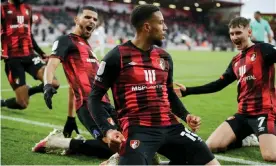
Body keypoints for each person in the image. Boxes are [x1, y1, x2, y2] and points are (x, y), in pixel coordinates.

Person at [88, 4, 219, 165]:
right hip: (138, 129)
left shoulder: (164, 57)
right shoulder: (116, 57)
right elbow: (94, 98)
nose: (165, 27)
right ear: (147, 27)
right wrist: (107, 130)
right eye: (161, 23)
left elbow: (169, 94)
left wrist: (186, 115)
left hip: (172, 127)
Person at [175, 17, 276, 162]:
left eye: (238, 33)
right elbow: (218, 84)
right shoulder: (236, 61)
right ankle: (246, 139)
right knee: (211, 145)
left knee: (270, 155)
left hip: (264, 112)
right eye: (232, 34)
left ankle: (263, 135)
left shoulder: (263, 50)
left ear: (249, 32)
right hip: (242, 114)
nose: (234, 37)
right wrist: (187, 91)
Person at [40, 5, 117, 158]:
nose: (92, 21)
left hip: (106, 104)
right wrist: (47, 84)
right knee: (113, 146)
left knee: (134, 140)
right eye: (87, 17)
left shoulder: (87, 47)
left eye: (95, 19)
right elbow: (52, 64)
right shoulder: (65, 41)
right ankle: (57, 143)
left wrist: (70, 118)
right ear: (76, 19)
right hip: (89, 105)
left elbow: (72, 86)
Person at [1, 0, 60, 109]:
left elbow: (29, 35)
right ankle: (3, 102)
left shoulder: (28, 9)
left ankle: (29, 91)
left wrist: (42, 53)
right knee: (22, 104)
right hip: (13, 59)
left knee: (54, 83)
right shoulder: (2, 9)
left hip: (30, 56)